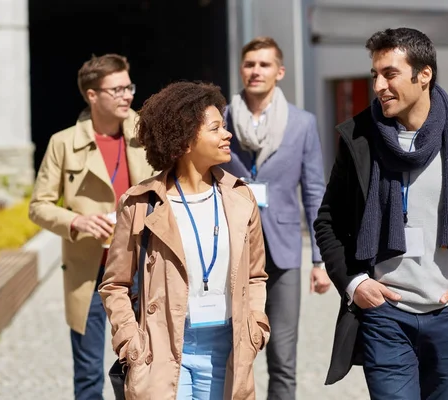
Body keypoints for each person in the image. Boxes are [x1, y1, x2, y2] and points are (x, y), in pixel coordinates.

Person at [314, 27, 448, 399]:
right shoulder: (359, 139)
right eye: (375, 75)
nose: (379, 85)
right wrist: (355, 283)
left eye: (390, 74)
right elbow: (328, 222)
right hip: (384, 313)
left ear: (424, 74)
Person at [99, 81, 270, 400]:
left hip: (226, 348)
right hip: (161, 348)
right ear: (186, 138)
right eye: (216, 128)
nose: (227, 134)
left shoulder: (240, 198)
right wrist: (131, 344)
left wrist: (255, 329)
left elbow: (256, 275)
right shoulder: (141, 203)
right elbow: (115, 285)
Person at [29, 54, 154, 400]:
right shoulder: (62, 143)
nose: (127, 95)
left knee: (144, 369)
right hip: (91, 275)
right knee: (88, 377)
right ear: (92, 95)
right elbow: (38, 206)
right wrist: (77, 220)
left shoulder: (147, 133)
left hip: (142, 270)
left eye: (129, 86)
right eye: (116, 89)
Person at [220, 36, 330, 400]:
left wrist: (319, 258)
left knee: (283, 358)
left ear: (279, 72)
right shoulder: (220, 120)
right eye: (250, 64)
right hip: (230, 251)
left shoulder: (302, 123)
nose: (256, 71)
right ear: (241, 69)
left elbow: (314, 193)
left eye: (264, 64)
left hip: (282, 254)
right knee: (233, 355)